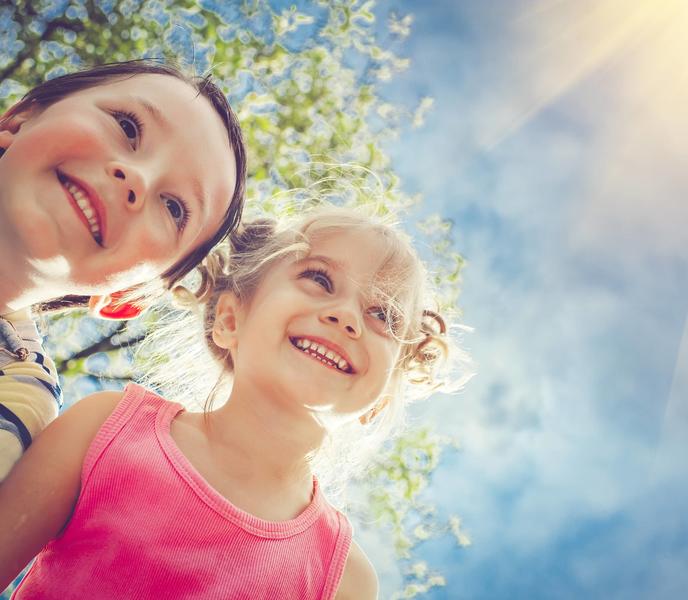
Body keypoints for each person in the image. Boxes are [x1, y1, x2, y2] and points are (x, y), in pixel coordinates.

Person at [0, 205, 462, 599]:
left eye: (383, 314)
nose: (346, 316)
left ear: (381, 399)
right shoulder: (106, 429)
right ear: (229, 319)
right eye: (319, 278)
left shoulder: (343, 581)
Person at [0, 60, 248, 480]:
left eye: (174, 208)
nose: (137, 177)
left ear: (129, 297)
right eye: (128, 127)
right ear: (20, 118)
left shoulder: (21, 394)